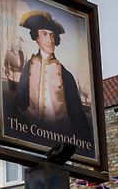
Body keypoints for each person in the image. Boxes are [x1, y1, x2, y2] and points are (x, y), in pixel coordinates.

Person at [15, 10, 91, 142]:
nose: (50, 40)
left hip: (63, 137)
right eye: (44, 34)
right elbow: (20, 100)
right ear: (36, 38)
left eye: (52, 35)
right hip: (34, 134)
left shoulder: (66, 75)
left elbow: (77, 113)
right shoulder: (29, 67)